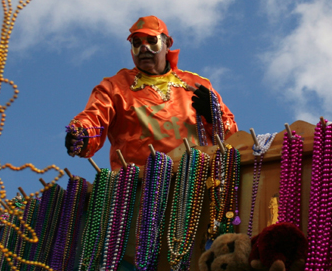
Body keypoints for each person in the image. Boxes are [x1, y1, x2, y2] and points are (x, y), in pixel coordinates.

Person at [65, 16, 237, 170]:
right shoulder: (115, 87)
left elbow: (232, 139)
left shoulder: (197, 84)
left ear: (168, 44)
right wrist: (82, 133)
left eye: (151, 41)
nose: (144, 48)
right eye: (137, 43)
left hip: (198, 182)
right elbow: (94, 115)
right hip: (139, 187)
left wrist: (215, 116)